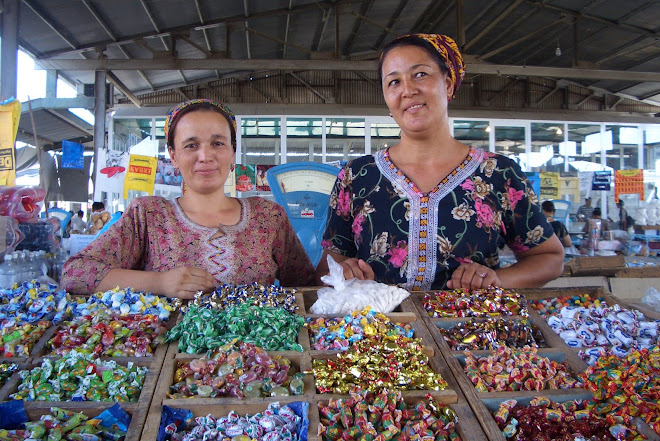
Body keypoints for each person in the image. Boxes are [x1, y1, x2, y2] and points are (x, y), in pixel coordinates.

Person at [316, 33, 564, 291]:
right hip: (376, 329)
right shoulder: (356, 176)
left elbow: (549, 258)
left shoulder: (499, 173)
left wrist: (497, 280)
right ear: (387, 100)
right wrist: (344, 272)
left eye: (420, 74)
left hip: (472, 328)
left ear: (447, 84)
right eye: (393, 82)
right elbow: (326, 269)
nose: (408, 90)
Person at [60, 99, 315, 298]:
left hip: (261, 360)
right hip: (169, 360)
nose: (205, 156)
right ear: (173, 155)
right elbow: (75, 273)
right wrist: (158, 282)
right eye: (191, 145)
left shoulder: (268, 217)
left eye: (218, 143)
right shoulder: (148, 216)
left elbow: (306, 287)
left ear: (232, 152)